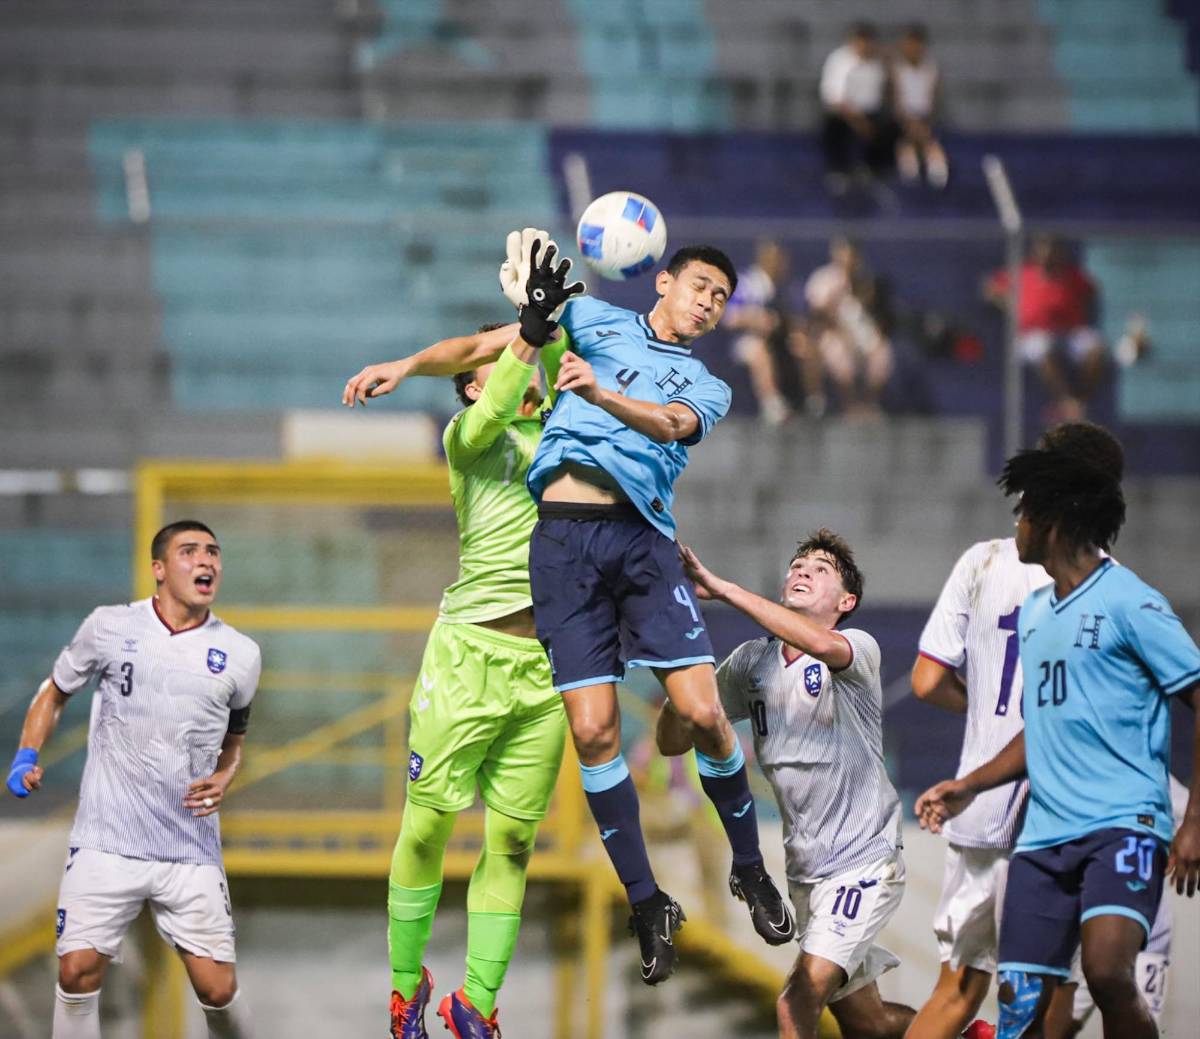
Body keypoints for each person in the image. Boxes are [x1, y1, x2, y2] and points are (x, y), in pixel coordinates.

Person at [524, 239, 796, 985]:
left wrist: (599, 395)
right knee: (592, 731)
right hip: (562, 542)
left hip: (643, 543)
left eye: (721, 297)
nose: (709, 302)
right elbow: (510, 338)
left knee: (704, 712)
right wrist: (417, 362)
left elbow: (671, 425)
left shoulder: (708, 385)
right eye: (701, 286)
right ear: (664, 280)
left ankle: (749, 867)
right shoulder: (594, 320)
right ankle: (648, 902)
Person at [343, 240, 580, 1038]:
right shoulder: (468, 438)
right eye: (502, 361)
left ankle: (476, 1003)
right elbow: (502, 379)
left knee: (512, 842)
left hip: (546, 669)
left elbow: (569, 362)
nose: (521, 365)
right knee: (427, 826)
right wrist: (527, 330)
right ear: (474, 384)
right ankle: (404, 987)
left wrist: (554, 322)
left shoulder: (565, 432)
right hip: (467, 656)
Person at [915, 423, 1200, 1039]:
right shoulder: (1038, 614)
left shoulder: (1131, 602)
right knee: (1019, 1005)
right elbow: (1040, 729)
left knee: (1106, 971)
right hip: (1045, 837)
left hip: (1123, 824)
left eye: (1024, 513)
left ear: (1053, 521)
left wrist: (1195, 821)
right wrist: (970, 785)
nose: (1016, 524)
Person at [5, 520, 260, 1039]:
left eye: (213, 552)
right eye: (190, 551)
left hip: (188, 846)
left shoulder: (241, 654)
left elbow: (235, 739)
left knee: (216, 990)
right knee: (76, 972)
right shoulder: (109, 626)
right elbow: (55, 690)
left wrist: (225, 775)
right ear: (159, 569)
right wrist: (26, 755)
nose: (206, 561)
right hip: (106, 840)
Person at [659, 532, 916, 1039]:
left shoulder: (857, 650)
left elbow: (818, 643)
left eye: (821, 569)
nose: (802, 571)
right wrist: (680, 677)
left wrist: (724, 589)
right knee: (870, 1025)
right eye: (798, 565)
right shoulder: (751, 662)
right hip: (807, 875)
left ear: (846, 602)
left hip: (865, 862)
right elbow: (671, 741)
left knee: (795, 1001)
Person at [904, 536, 1050, 1039]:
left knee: (956, 992)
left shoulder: (985, 559)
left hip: (978, 808)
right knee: (1045, 997)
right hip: (1054, 816)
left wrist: (985, 704)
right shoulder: (1102, 583)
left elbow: (927, 681)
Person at [1045, 774, 1190, 1038]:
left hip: (1146, 932)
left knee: (1135, 1020)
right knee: (1054, 1027)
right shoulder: (1071, 771)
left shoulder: (1153, 775)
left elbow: (1189, 822)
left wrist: (1178, 842)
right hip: (1085, 930)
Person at [984, 235, 1107, 422]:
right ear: (1036, 253)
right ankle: (1067, 401)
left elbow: (1094, 289)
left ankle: (1079, 400)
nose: (1048, 256)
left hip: (1070, 332)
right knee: (1041, 349)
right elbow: (990, 288)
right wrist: (1010, 304)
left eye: (1052, 252)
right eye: (1044, 251)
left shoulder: (1073, 275)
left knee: (1096, 349)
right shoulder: (1022, 273)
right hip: (1032, 334)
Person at [722, 239, 824, 423]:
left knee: (804, 345)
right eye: (773, 259)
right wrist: (755, 319)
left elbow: (797, 319)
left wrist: (793, 328)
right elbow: (729, 317)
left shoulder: (787, 286)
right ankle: (772, 404)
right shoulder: (748, 283)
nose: (778, 264)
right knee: (758, 351)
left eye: (780, 260)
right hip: (748, 339)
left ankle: (813, 402)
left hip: (781, 338)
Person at [804, 237, 893, 415]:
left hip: (861, 332)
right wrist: (833, 302)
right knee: (839, 355)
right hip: (832, 333)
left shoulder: (864, 279)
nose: (847, 259)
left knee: (881, 352)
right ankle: (849, 404)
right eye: (843, 254)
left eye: (851, 255)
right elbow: (815, 315)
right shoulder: (823, 279)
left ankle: (870, 403)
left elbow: (877, 314)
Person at [819, 22, 896, 194]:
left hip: (870, 112)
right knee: (833, 124)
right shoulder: (839, 60)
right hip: (844, 112)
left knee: (889, 125)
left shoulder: (878, 62)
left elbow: (882, 95)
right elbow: (834, 98)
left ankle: (875, 169)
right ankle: (838, 170)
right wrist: (858, 121)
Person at [891, 24, 948, 189]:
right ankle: (911, 170)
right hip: (903, 118)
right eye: (909, 44)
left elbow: (933, 99)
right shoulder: (897, 69)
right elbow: (896, 99)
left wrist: (923, 120)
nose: (913, 48)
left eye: (916, 44)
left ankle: (935, 170)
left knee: (926, 137)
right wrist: (909, 120)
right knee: (909, 139)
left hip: (924, 117)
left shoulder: (931, 68)